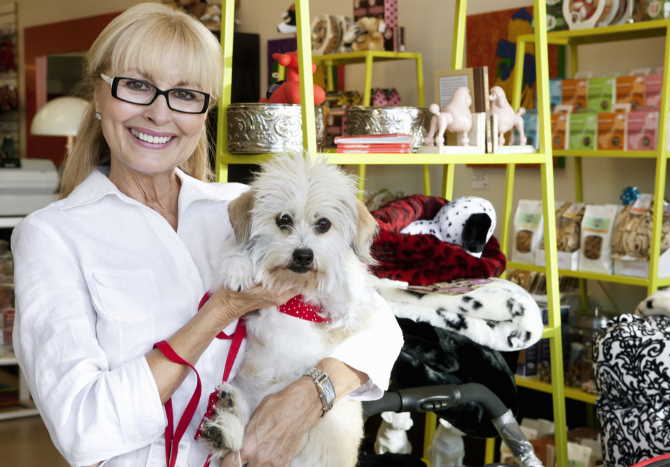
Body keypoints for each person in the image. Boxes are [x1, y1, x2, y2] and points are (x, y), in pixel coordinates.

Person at [11, 4, 403, 467]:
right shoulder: (54, 236)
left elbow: (379, 326)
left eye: (185, 93)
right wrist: (224, 308)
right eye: (137, 86)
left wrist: (311, 394)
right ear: (98, 95)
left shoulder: (245, 208)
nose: (160, 113)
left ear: (203, 113)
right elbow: (84, 427)